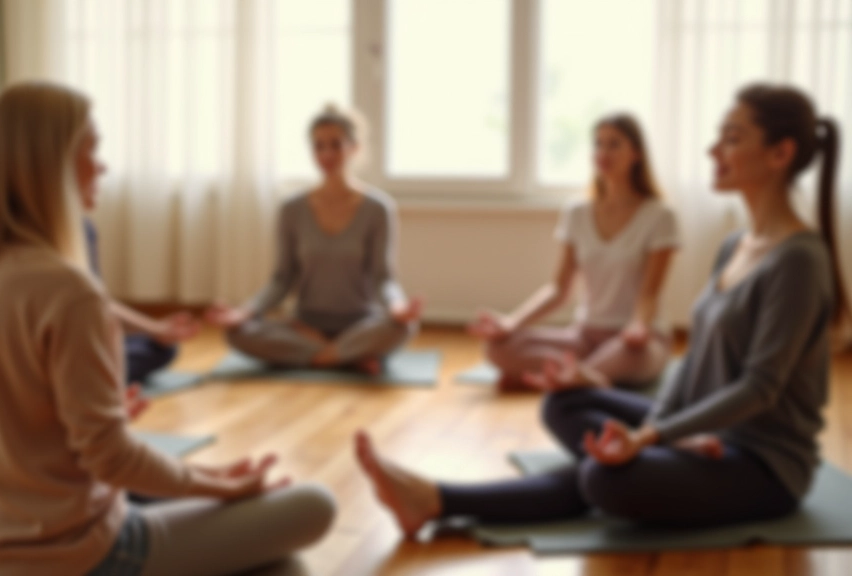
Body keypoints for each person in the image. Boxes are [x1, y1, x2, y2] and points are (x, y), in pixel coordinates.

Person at [356, 84, 847, 534]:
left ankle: (437, 499)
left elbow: (761, 388)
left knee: (604, 477)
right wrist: (666, 433)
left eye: (732, 138)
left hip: (761, 464)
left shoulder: (799, 261)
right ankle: (436, 499)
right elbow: (696, 358)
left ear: (780, 153)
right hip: (706, 431)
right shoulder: (735, 244)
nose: (713, 150)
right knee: (564, 402)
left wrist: (650, 436)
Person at [0, 82, 335, 576]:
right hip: (78, 556)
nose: (103, 165)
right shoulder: (69, 291)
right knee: (314, 507)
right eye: (92, 149)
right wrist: (220, 485)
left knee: (282, 565)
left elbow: (21, 430)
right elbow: (111, 460)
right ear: (53, 163)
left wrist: (198, 469)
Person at [468, 114, 678, 392]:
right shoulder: (576, 213)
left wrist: (639, 326)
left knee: (632, 355)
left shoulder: (660, 216)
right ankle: (584, 377)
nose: (603, 153)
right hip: (585, 336)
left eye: (614, 144)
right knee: (498, 347)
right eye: (598, 144)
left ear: (636, 153)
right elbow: (559, 289)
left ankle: (573, 376)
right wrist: (511, 322)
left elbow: (649, 293)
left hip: (632, 341)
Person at [207, 105, 421, 375]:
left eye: (336, 145)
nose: (327, 154)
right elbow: (281, 279)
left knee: (404, 327)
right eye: (319, 146)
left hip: (361, 325)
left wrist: (397, 307)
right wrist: (245, 312)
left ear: (354, 148)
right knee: (236, 333)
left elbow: (383, 278)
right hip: (305, 326)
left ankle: (316, 354)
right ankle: (349, 356)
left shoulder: (378, 209)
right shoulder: (291, 209)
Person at [81, 210, 200, 385]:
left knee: (160, 347)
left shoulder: (84, 227)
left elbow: (96, 301)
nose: (97, 194)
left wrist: (157, 329)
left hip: (86, 336)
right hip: (62, 347)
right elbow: (91, 303)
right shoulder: (73, 230)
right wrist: (156, 328)